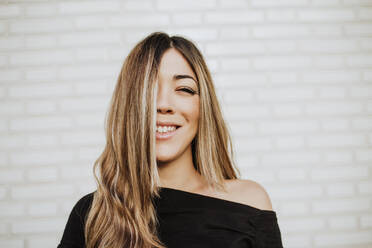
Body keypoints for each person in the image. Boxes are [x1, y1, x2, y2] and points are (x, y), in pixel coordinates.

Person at [57, 31, 283, 248]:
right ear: (129, 106)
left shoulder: (249, 202)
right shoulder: (92, 213)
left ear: (203, 107)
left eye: (184, 89)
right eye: (149, 89)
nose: (163, 104)